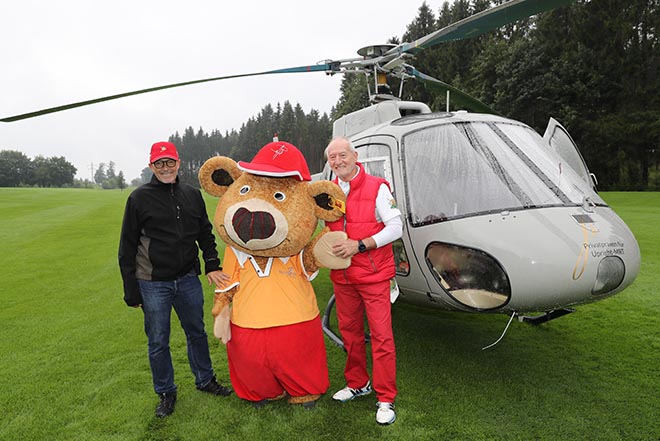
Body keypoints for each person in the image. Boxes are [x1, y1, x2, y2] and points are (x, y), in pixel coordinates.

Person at [118, 141, 232, 418]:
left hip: (187, 280)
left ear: (179, 163)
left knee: (197, 333)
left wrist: (211, 265)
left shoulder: (192, 195)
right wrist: (132, 292)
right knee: (158, 340)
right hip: (153, 283)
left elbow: (205, 233)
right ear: (151, 166)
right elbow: (127, 247)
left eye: (170, 162)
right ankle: (166, 392)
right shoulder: (138, 198)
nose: (166, 168)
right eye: (160, 164)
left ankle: (205, 380)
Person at [324, 136, 403, 425]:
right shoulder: (328, 192)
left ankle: (385, 398)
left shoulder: (377, 187)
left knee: (382, 337)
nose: (338, 161)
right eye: (332, 157)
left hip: (373, 276)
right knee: (351, 334)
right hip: (343, 278)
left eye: (342, 155)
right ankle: (358, 384)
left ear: (355, 156)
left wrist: (359, 244)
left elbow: (396, 227)